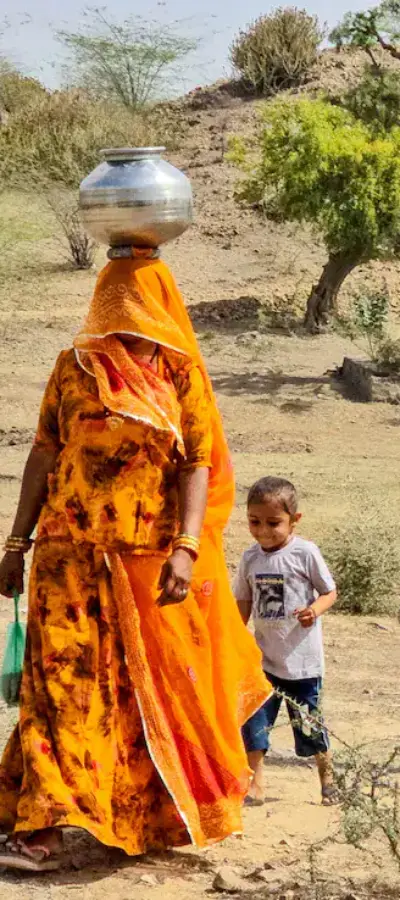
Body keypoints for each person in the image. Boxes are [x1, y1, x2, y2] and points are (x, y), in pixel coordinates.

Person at [0, 250, 270, 872]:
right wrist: (15, 543)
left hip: (146, 561)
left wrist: (187, 548)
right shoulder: (73, 366)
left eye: (137, 298)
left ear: (160, 303)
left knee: (138, 691)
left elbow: (196, 462)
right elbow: (44, 451)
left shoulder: (179, 373)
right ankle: (44, 826)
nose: (124, 311)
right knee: (60, 687)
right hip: (65, 556)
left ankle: (134, 815)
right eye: (114, 296)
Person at [236, 477, 338, 806]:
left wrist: (314, 610)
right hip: (264, 661)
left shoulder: (305, 553)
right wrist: (234, 635)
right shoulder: (250, 558)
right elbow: (243, 601)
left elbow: (329, 592)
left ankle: (327, 780)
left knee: (310, 726)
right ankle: (256, 786)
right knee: (254, 723)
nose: (263, 531)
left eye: (273, 523)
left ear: (295, 520)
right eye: (255, 522)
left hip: (302, 663)